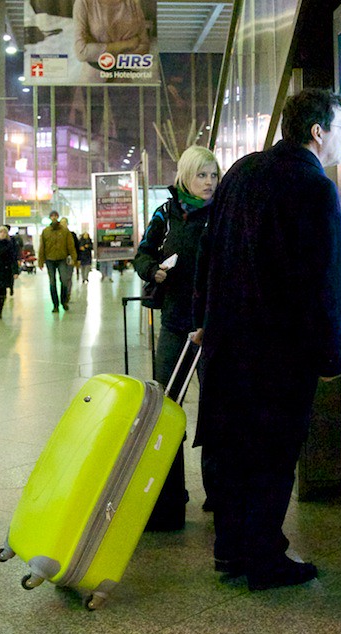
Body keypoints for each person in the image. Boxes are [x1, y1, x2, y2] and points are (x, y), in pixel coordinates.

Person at [192, 89, 341, 590]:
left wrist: (206, 319)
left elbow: (210, 252)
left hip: (228, 344)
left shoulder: (242, 171)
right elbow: (324, 279)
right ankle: (265, 558)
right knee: (275, 454)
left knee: (235, 450)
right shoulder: (315, 186)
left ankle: (231, 550)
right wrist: (331, 352)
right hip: (280, 352)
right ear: (318, 132)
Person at [133, 145, 219, 530]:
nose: (209, 183)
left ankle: (219, 491)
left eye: (214, 175)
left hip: (214, 326)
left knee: (218, 410)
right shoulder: (166, 214)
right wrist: (154, 271)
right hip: (174, 324)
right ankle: (168, 497)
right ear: (185, 176)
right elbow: (143, 254)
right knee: (167, 411)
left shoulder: (222, 213)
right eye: (202, 175)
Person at [73, 0, 151, 64]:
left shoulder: (133, 3)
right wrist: (126, 45)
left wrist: (98, 51)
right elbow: (81, 52)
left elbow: (144, 45)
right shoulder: (83, 3)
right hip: (95, 73)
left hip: (125, 72)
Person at [37, 211, 78, 313]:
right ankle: (55, 305)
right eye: (52, 216)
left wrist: (74, 258)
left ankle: (64, 301)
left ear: (58, 217)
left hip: (62, 258)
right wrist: (40, 261)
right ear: (50, 218)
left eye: (56, 216)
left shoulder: (65, 231)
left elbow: (70, 245)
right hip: (50, 259)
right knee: (52, 282)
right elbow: (42, 247)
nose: (54, 218)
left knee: (64, 280)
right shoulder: (45, 231)